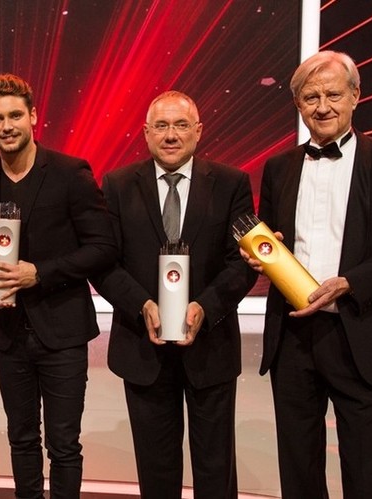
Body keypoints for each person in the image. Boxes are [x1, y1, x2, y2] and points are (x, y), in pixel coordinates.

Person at [246, 51, 372, 498]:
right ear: (298, 104)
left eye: (333, 95)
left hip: (362, 330)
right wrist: (260, 258)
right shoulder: (279, 167)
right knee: (298, 472)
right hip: (293, 339)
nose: (322, 107)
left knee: (364, 476)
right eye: (310, 97)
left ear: (356, 96)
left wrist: (351, 282)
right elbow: (272, 241)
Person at [93, 91, 257, 498]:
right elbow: (103, 262)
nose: (171, 135)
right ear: (146, 133)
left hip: (211, 347)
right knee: (156, 471)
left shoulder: (231, 183)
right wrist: (141, 306)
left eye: (181, 125)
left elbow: (243, 263)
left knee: (215, 469)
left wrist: (205, 307)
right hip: (142, 350)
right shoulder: (117, 185)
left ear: (198, 131)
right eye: (161, 126)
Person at [0, 73, 115, 499]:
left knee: (64, 444)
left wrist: (40, 273)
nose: (7, 126)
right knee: (21, 439)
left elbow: (103, 246)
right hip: (10, 334)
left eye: (15, 115)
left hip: (63, 331)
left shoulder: (71, 173)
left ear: (33, 116)